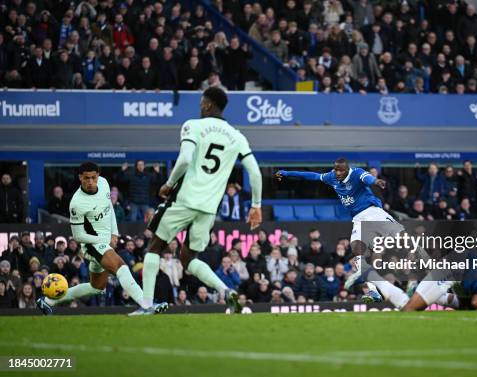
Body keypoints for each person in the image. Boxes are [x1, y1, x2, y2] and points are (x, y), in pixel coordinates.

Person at [137, 87, 262, 315]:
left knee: (154, 246)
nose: (200, 106)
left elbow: (185, 160)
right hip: (208, 208)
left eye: (201, 102)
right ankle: (226, 291)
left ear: (207, 104)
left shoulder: (193, 125)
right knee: (188, 258)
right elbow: (254, 172)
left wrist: (169, 184)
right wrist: (256, 205)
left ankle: (145, 305)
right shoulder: (237, 136)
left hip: (184, 199)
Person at [36, 162, 168, 315]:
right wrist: (101, 239)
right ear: (80, 178)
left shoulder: (104, 183)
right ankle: (146, 305)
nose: (91, 181)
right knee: (121, 266)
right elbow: (78, 235)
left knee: (96, 287)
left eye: (93, 177)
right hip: (92, 245)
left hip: (105, 243)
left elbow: (109, 208)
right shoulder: (77, 203)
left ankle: (47, 301)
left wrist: (114, 232)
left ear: (98, 176)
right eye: (86, 178)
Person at [275, 158, 408, 308]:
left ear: (347, 169)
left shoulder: (356, 173)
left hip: (373, 212)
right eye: (335, 169)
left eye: (340, 170)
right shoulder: (331, 176)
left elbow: (367, 178)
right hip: (358, 219)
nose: (337, 173)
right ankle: (373, 291)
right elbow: (311, 176)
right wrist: (286, 173)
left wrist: (376, 181)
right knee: (358, 253)